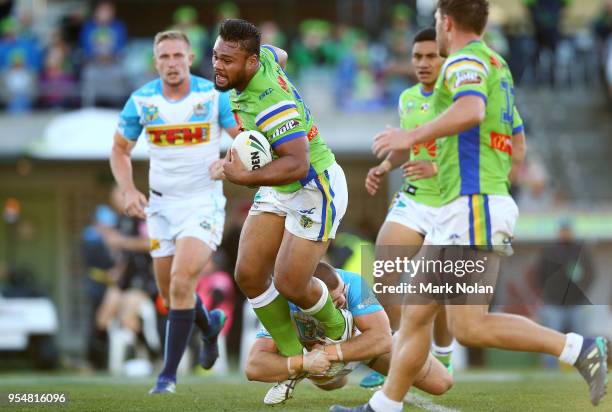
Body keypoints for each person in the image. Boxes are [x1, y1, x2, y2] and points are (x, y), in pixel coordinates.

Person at [332, 1, 609, 411]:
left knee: (469, 325)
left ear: (446, 22)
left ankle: (579, 348)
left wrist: (413, 139)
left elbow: (471, 109)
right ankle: (382, 407)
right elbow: (517, 142)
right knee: (416, 312)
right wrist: (481, 172)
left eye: (435, 23)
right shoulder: (497, 64)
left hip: (473, 207)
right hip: (468, 205)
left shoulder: (465, 61)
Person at [212, 18, 353, 390]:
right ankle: (296, 361)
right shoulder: (266, 58)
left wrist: (243, 177)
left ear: (251, 63)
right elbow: (282, 53)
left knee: (291, 282)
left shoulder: (270, 103)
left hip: (313, 187)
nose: (217, 66)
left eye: (228, 60)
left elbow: (298, 163)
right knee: (248, 273)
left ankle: (341, 328)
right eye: (216, 56)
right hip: (280, 184)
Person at [109, 30, 240, 394]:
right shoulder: (141, 101)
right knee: (169, 293)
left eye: (177, 56)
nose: (171, 63)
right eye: (164, 57)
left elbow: (246, 139)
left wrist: (229, 160)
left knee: (183, 280)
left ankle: (166, 377)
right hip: (160, 205)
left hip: (203, 202)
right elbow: (119, 151)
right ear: (155, 62)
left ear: (189, 57)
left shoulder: (213, 95)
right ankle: (209, 326)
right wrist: (128, 189)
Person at [245, 262, 453, 405]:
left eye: (342, 294)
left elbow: (382, 339)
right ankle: (319, 371)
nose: (343, 301)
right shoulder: (285, 303)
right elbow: (253, 366)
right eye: (336, 301)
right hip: (320, 364)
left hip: (361, 346)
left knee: (440, 382)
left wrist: (328, 352)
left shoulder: (353, 283)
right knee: (332, 385)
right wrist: (303, 362)